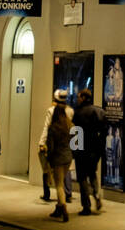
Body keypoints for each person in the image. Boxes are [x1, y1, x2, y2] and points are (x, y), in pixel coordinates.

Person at [72, 87, 107, 215]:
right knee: (92, 174)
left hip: (81, 150)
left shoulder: (78, 113)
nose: (77, 99)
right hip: (94, 150)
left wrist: (74, 151)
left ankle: (86, 206)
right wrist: (100, 150)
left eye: (79, 97)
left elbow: (75, 133)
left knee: (82, 179)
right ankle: (97, 195)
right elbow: (103, 132)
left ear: (83, 98)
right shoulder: (99, 111)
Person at [39, 89, 74, 211]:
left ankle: (59, 204)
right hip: (68, 152)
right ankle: (67, 194)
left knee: (56, 181)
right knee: (67, 173)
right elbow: (76, 135)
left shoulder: (51, 112)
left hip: (58, 153)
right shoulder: (71, 112)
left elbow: (46, 127)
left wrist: (42, 143)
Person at [45, 102, 73, 222]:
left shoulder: (53, 127)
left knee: (59, 185)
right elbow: (77, 142)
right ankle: (58, 208)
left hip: (58, 159)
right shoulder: (70, 125)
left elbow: (50, 147)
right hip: (68, 158)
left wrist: (48, 160)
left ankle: (64, 208)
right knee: (61, 182)